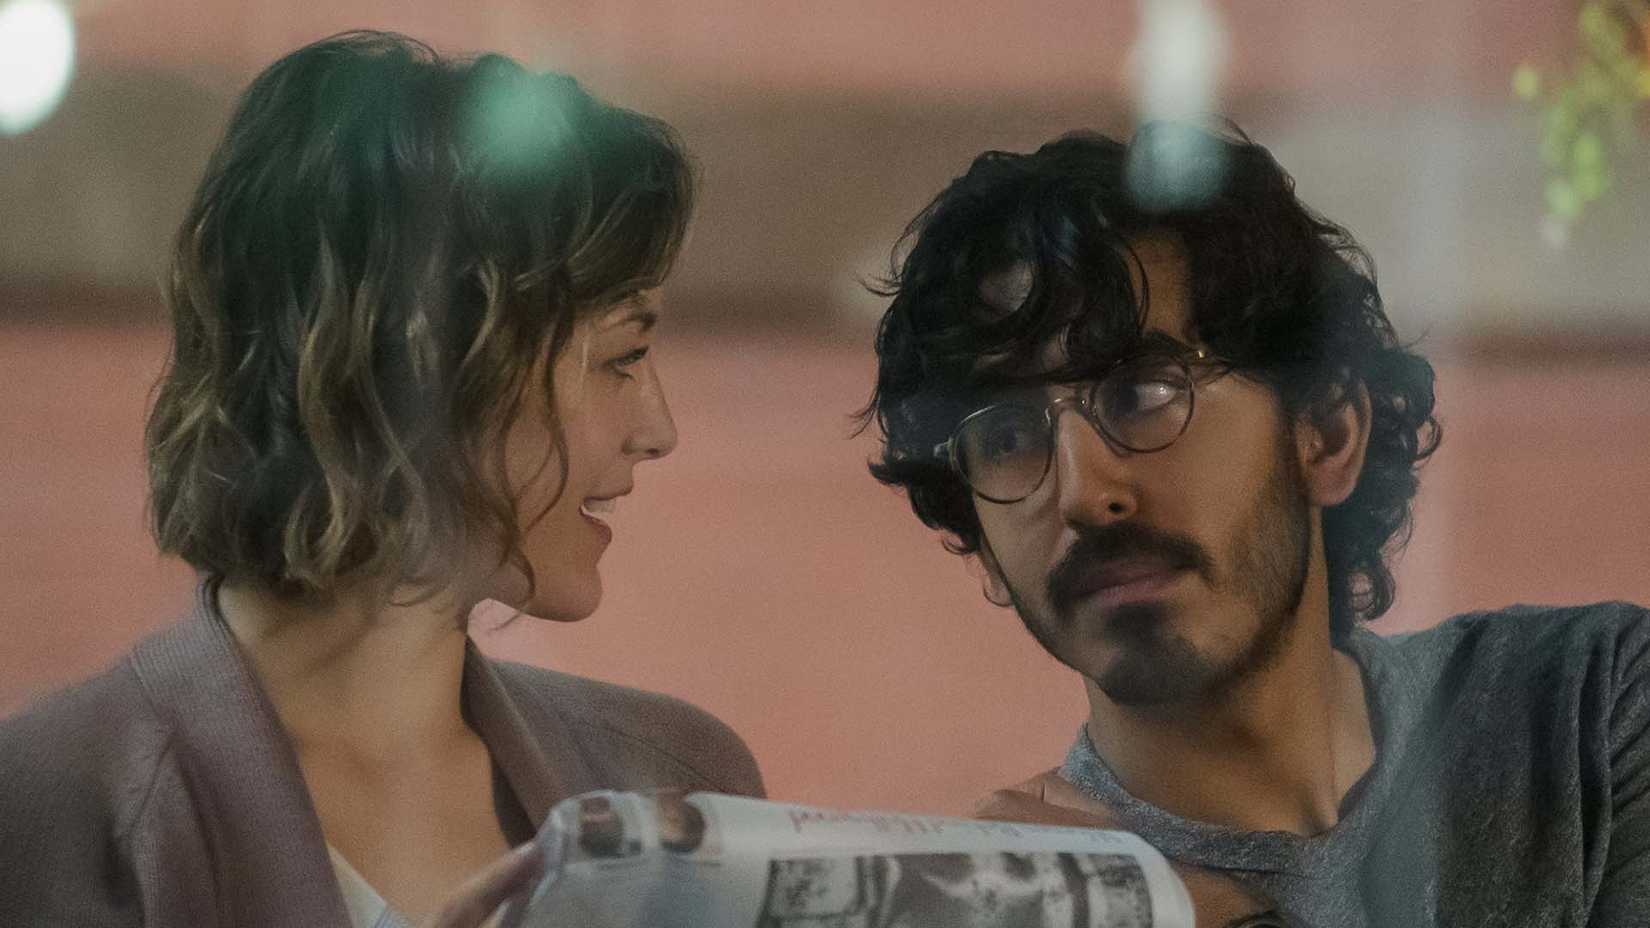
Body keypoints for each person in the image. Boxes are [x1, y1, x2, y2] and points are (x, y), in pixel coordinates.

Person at [0, 31, 762, 928]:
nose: (658, 432)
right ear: (430, 359)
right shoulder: (48, 813)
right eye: (622, 358)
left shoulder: (681, 786)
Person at [859, 123, 1650, 926]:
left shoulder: (1589, 713)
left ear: (1327, 434)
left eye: (1144, 391)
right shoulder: (1016, 905)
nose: (1084, 492)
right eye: (1006, 439)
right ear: (985, 553)